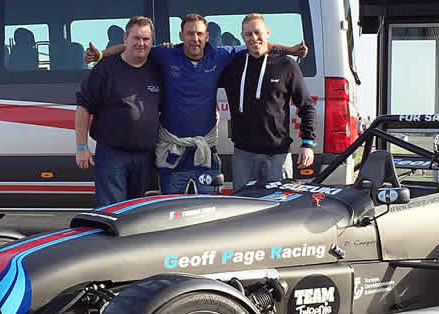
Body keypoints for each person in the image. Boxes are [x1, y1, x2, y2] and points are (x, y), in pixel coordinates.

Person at [84, 13, 307, 194]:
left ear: (207, 36)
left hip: (204, 153)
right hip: (173, 153)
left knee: (207, 212)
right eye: (190, 34)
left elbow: (258, 43)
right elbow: (132, 46)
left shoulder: (220, 55)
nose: (195, 39)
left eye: (200, 34)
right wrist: (101, 55)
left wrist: (289, 50)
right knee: (170, 213)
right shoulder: (166, 54)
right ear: (181, 35)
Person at [220, 13, 315, 190]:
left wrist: (308, 143)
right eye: (248, 34)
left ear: (268, 33)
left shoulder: (287, 65)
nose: (254, 38)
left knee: (280, 206)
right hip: (243, 156)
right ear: (242, 37)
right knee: (242, 206)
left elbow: (307, 106)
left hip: (278, 156)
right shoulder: (232, 67)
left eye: (258, 32)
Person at [74, 16, 162, 208]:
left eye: (146, 39)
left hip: (144, 156)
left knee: (135, 212)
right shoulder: (105, 69)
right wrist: (81, 146)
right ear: (125, 38)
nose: (141, 43)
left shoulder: (156, 67)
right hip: (112, 155)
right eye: (136, 38)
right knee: (111, 211)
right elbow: (83, 107)